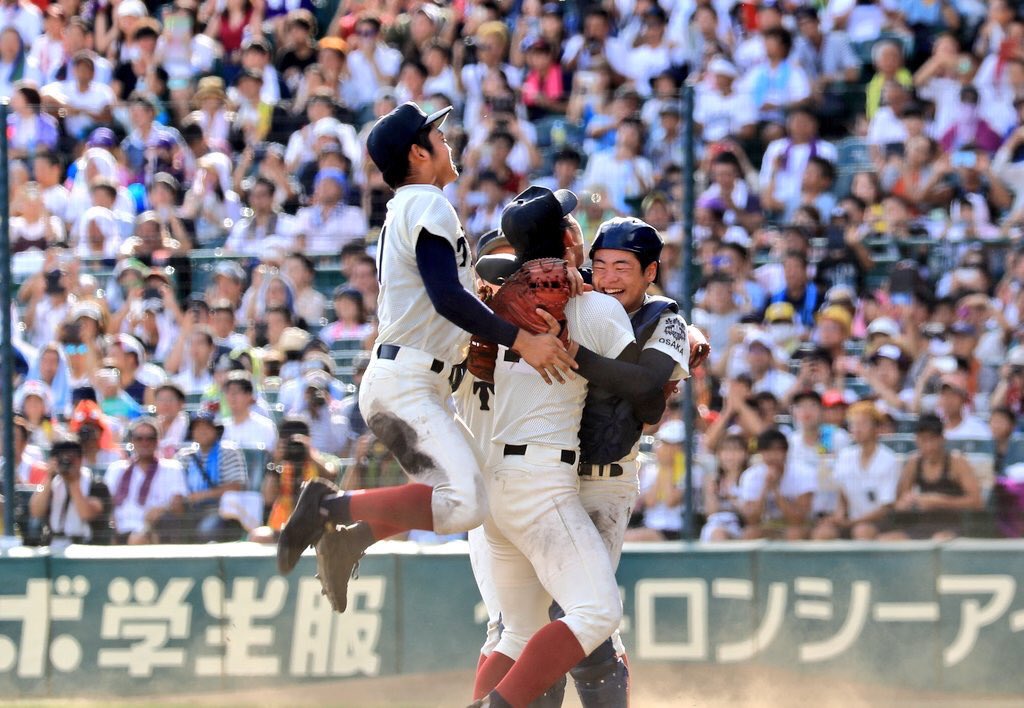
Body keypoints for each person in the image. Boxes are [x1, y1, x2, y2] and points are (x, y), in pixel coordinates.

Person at [276, 103, 574, 605]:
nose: (447, 141)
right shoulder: (429, 203)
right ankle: (329, 507)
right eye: (438, 135)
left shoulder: (410, 206)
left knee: (466, 494)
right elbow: (446, 297)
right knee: (466, 504)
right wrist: (522, 340)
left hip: (414, 380)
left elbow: (452, 292)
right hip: (408, 381)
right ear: (418, 152)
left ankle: (350, 541)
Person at [882, 414, 984, 541]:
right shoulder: (914, 463)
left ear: (942, 439)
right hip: (922, 525)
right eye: (923, 440)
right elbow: (899, 503)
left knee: (938, 541)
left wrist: (939, 501)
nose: (929, 446)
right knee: (886, 540)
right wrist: (907, 502)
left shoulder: (957, 463)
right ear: (917, 440)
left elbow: (977, 502)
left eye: (932, 439)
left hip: (954, 526)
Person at [812, 402, 900, 540]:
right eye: (853, 424)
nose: (857, 429)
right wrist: (839, 516)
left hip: (879, 523)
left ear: (877, 428)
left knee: (862, 531)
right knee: (822, 532)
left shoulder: (889, 460)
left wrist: (853, 522)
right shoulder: (845, 455)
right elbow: (842, 491)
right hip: (850, 520)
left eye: (862, 424)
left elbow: (886, 507)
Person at [104, 417, 187, 544]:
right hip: (119, 530)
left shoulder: (172, 468)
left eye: (150, 438)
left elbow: (178, 507)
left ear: (157, 441)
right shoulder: (116, 469)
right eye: (139, 438)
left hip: (153, 531)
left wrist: (163, 509)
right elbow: (106, 503)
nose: (145, 443)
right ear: (132, 441)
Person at [175, 405, 248, 543]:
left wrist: (202, 495)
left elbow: (236, 487)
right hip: (189, 510)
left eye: (207, 427)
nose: (202, 431)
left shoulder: (229, 451)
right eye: (197, 428)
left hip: (221, 510)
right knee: (169, 524)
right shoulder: (184, 455)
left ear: (216, 430)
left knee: (206, 530)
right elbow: (175, 486)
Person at [28, 433, 111, 546]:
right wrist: (49, 477)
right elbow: (36, 512)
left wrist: (73, 482)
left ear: (80, 459)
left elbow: (86, 514)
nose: (66, 461)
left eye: (71, 457)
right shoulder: (51, 484)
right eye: (61, 457)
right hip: (53, 545)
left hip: (85, 545)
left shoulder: (96, 485)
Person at [738, 429, 817, 540]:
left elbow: (798, 519)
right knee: (750, 533)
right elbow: (752, 520)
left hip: (801, 525)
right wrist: (765, 488)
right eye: (767, 451)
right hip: (768, 525)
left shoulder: (803, 473)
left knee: (794, 533)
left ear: (786, 452)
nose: (772, 456)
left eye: (777, 450)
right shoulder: (751, 476)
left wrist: (775, 489)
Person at [701, 434, 750, 542]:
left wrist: (731, 497)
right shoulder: (713, 479)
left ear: (745, 454)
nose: (730, 456)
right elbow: (711, 513)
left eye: (736, 450)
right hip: (715, 526)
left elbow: (750, 514)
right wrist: (711, 493)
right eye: (726, 451)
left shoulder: (750, 478)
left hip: (741, 527)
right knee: (718, 533)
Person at [220, 371, 278, 451]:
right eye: (228, 392)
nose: (232, 396)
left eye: (236, 392)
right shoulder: (222, 428)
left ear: (249, 395)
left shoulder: (265, 426)